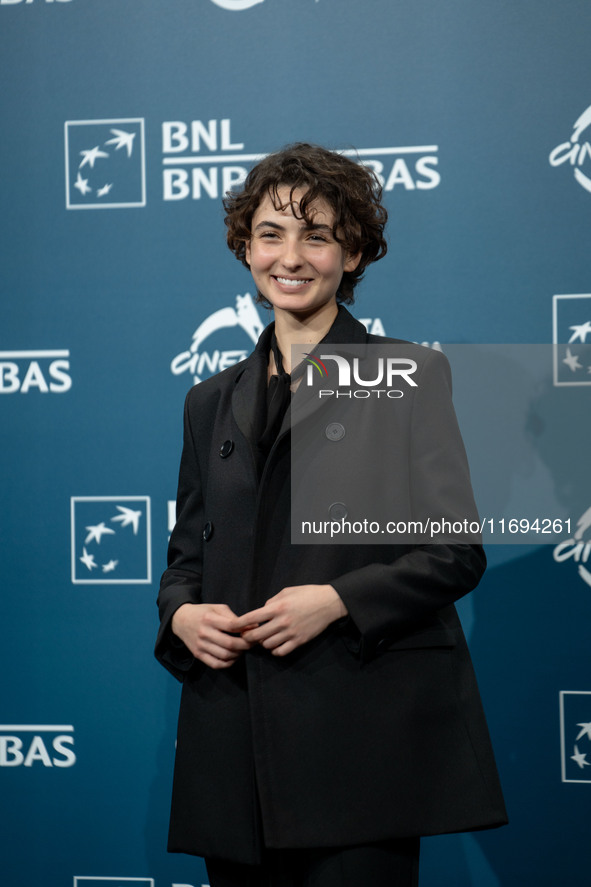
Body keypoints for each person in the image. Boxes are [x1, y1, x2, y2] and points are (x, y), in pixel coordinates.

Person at [155, 143, 507, 887]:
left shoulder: (407, 375)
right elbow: (185, 558)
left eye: (315, 235)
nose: (291, 256)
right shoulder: (207, 401)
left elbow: (455, 552)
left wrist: (338, 600)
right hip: (234, 749)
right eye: (272, 233)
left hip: (356, 741)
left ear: (351, 253)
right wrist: (181, 614)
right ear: (245, 246)